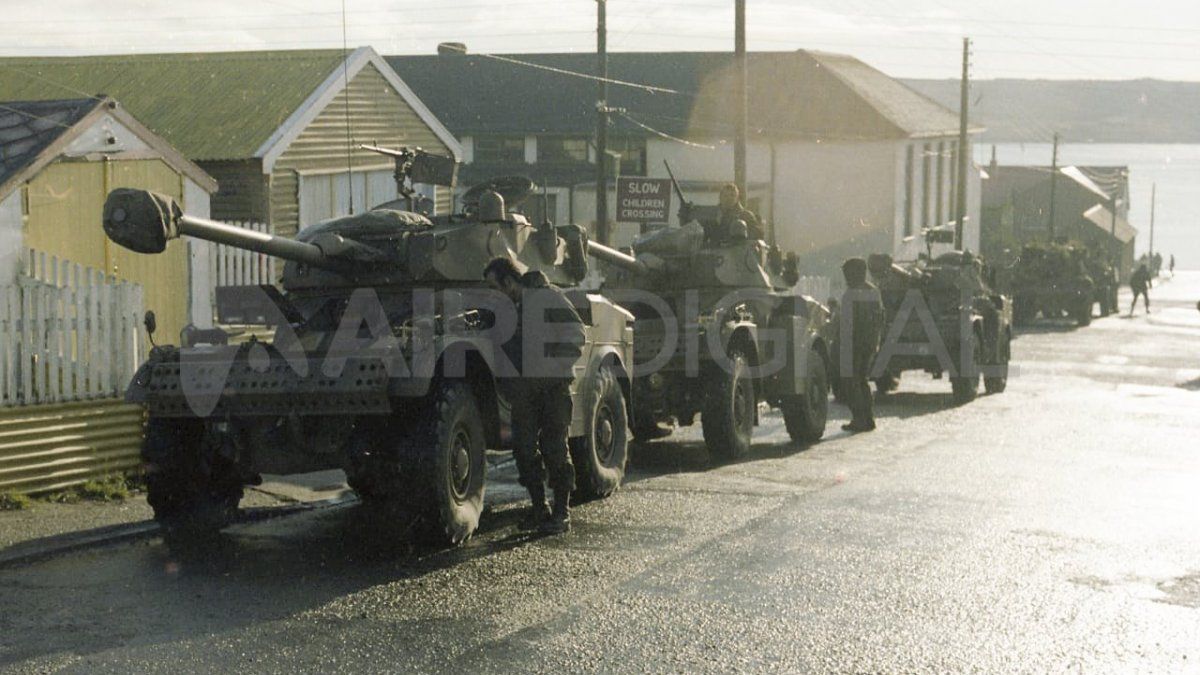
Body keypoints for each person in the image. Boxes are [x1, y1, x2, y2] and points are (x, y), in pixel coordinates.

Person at [484, 256, 585, 534]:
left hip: (553, 388)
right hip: (523, 393)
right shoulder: (504, 311)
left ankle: (562, 513)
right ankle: (540, 509)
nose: (493, 294)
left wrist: (552, 367)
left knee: (555, 448)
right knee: (524, 451)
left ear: (509, 281)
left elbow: (576, 333)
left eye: (495, 287)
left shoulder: (547, 297)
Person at [838, 257, 884, 432]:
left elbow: (847, 324)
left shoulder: (851, 293)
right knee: (862, 381)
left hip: (855, 345)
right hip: (871, 343)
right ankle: (868, 418)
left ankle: (859, 419)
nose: (845, 276)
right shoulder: (874, 291)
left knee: (852, 382)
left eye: (847, 272)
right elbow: (881, 318)